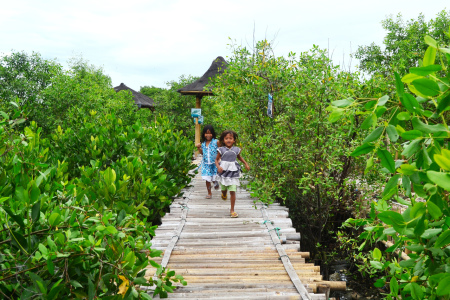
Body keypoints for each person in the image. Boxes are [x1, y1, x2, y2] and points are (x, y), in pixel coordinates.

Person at [215, 130, 250, 218]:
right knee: (224, 189)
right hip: (223, 172)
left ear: (234, 140)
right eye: (226, 138)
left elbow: (239, 157)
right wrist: (218, 167)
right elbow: (216, 159)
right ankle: (223, 193)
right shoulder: (221, 149)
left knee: (233, 191)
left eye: (230, 138)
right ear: (223, 140)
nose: (228, 140)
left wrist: (246, 163)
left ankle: (232, 210)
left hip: (233, 172)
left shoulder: (236, 149)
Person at [195, 125, 220, 199]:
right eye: (206, 133)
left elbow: (221, 150)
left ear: (212, 133)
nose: (208, 135)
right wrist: (199, 148)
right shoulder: (203, 144)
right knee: (207, 178)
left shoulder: (216, 142)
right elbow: (203, 153)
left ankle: (215, 182)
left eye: (210, 133)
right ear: (204, 134)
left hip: (214, 164)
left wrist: (219, 159)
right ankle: (209, 193)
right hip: (206, 164)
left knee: (213, 177)